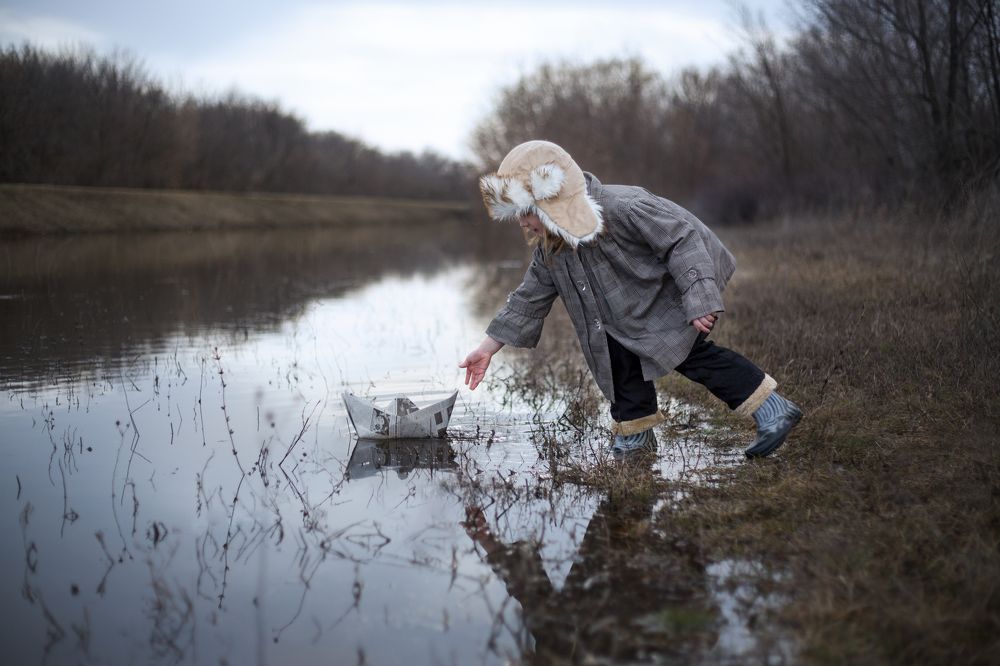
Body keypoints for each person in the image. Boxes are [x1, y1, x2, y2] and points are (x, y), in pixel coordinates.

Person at [459, 140, 801, 457]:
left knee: (694, 358)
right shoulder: (553, 248)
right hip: (619, 319)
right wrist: (488, 348)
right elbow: (528, 298)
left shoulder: (622, 207)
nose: (523, 223)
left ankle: (772, 408)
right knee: (616, 359)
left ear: (552, 201)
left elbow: (681, 240)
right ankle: (636, 436)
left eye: (525, 211)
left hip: (664, 300)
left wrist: (699, 297)